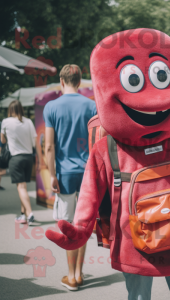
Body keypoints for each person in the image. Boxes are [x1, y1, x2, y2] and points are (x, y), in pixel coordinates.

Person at [46, 29, 170, 300]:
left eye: (161, 76)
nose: (152, 96)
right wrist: (81, 229)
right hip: (139, 245)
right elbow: (89, 195)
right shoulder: (106, 148)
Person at [43, 64, 97, 291]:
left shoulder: (51, 107)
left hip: (64, 174)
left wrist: (52, 175)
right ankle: (79, 273)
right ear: (80, 80)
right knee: (82, 226)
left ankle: (71, 276)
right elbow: (98, 142)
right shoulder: (92, 105)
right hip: (87, 173)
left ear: (61, 81)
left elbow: (48, 146)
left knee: (68, 226)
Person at [1, 100, 37, 224]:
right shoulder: (28, 122)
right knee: (24, 187)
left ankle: (30, 213)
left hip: (15, 158)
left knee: (21, 187)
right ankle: (23, 215)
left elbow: (3, 140)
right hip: (28, 158)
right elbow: (34, 142)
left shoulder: (6, 121)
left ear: (10, 110)